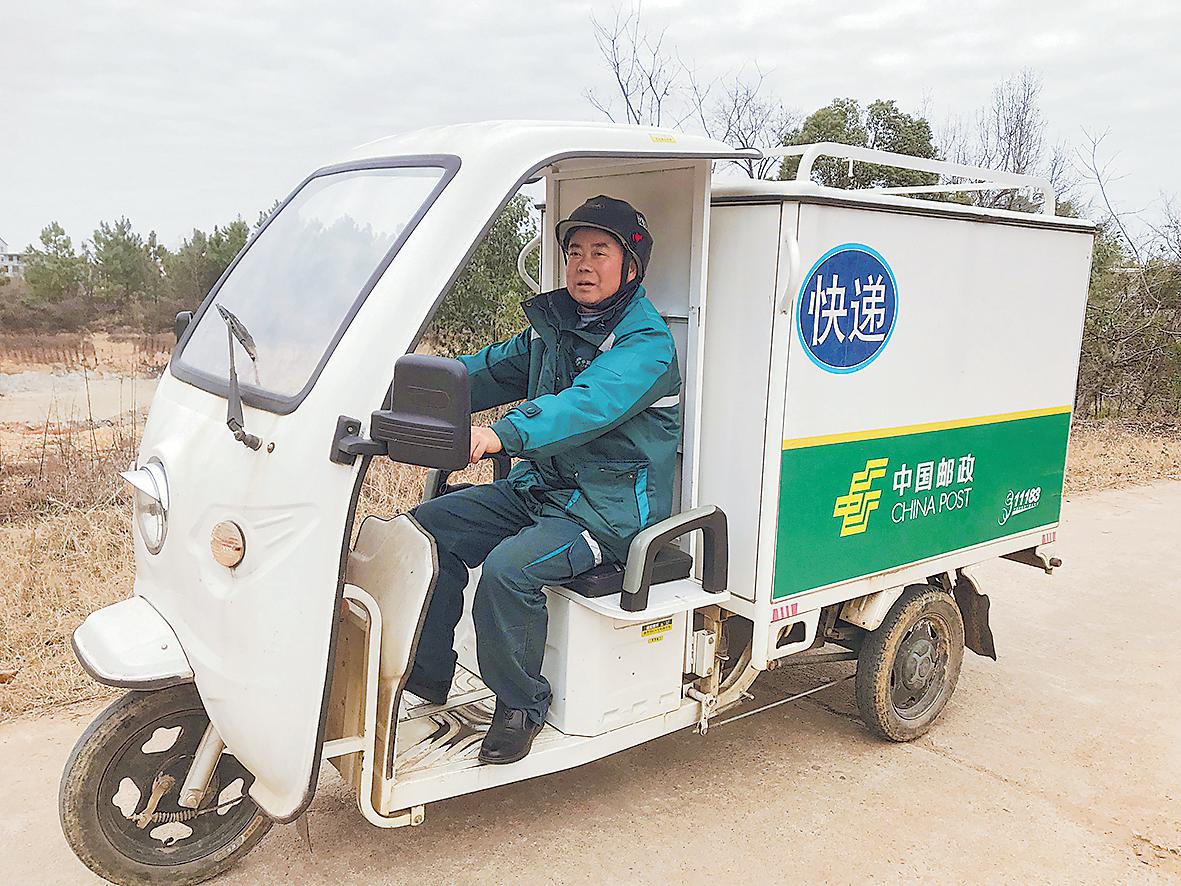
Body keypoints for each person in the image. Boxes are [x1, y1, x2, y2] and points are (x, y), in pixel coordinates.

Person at [406, 195, 682, 764]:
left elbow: (585, 405)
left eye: (600, 252)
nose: (583, 264)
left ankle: (520, 706)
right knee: (427, 532)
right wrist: (403, 393)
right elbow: (481, 372)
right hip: (544, 489)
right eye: (574, 252)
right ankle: (427, 677)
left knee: (508, 572)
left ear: (631, 266)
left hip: (606, 511)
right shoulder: (555, 328)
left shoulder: (647, 346)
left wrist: (499, 435)